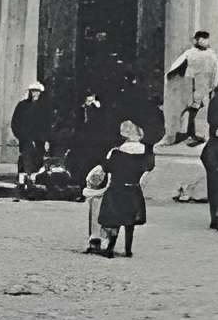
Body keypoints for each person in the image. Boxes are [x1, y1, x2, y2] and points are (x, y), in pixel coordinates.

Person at [96, 117, 155, 258]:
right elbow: (149, 167)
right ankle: (128, 249)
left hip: (117, 188)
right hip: (133, 188)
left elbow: (107, 167)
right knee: (130, 223)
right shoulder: (146, 153)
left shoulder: (116, 153)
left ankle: (110, 248)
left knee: (114, 220)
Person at [165, 30, 218, 144]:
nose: (203, 41)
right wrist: (170, 75)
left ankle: (200, 135)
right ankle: (184, 133)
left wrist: (213, 86)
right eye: (201, 39)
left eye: (205, 39)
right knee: (188, 108)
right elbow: (177, 64)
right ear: (197, 40)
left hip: (204, 85)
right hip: (189, 83)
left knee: (202, 110)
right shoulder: (190, 53)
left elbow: (216, 71)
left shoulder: (212, 55)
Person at [10, 82, 51, 189]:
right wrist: (20, 135)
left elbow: (48, 123)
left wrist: (46, 138)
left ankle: (34, 180)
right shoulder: (22, 105)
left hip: (39, 139)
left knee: (38, 158)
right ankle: (22, 181)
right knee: (25, 158)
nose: (35, 94)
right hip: (25, 138)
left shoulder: (45, 107)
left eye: (37, 91)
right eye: (33, 91)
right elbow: (15, 122)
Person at [66, 91, 105, 188]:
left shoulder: (97, 109)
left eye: (91, 97)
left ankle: (92, 186)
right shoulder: (80, 109)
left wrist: (97, 107)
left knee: (92, 164)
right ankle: (82, 187)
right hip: (81, 142)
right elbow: (76, 125)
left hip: (94, 142)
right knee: (82, 165)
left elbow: (101, 122)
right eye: (88, 97)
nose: (89, 99)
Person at [81, 162, 109, 253]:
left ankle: (99, 241)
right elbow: (93, 181)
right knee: (96, 218)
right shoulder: (99, 169)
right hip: (98, 195)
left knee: (97, 218)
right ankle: (96, 241)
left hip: (101, 195)